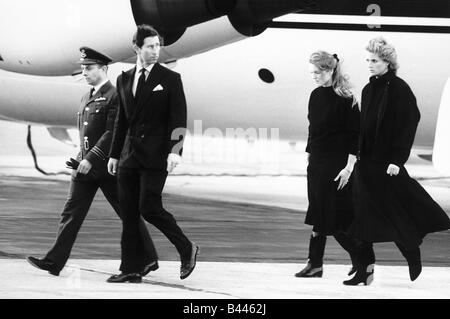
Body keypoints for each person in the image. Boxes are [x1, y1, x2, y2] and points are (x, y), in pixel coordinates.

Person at [26, 47, 159, 277]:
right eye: (83, 68)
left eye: (89, 68)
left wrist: (91, 158)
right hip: (84, 168)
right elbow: (85, 132)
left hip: (108, 167)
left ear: (103, 69)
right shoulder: (87, 96)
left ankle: (148, 259)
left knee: (128, 213)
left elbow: (112, 132)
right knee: (71, 213)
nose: (84, 72)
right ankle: (54, 261)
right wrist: (80, 159)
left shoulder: (116, 95)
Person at [345, 37, 450, 286]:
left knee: (395, 215)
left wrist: (397, 160)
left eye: (375, 61)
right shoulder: (368, 89)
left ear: (388, 63)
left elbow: (409, 123)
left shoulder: (399, 88)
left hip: (386, 166)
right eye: (368, 60)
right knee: (361, 220)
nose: (370, 65)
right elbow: (363, 127)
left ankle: (412, 252)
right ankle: (363, 271)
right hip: (366, 164)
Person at [107, 25, 199, 283]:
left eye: (157, 46)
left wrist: (176, 151)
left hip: (156, 155)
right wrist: (114, 154)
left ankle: (186, 248)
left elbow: (178, 118)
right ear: (136, 47)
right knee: (128, 213)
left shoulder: (170, 79)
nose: (155, 51)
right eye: (150, 46)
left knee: (149, 207)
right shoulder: (123, 79)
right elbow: (121, 122)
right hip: (128, 156)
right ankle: (131, 268)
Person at [295, 51, 361, 278]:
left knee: (328, 217)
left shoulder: (347, 99)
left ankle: (357, 258)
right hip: (316, 163)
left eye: (317, 72)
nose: (313, 76)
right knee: (319, 213)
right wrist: (309, 156)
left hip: (336, 165)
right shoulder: (315, 95)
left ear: (330, 70)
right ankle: (317, 264)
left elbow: (356, 137)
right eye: (311, 72)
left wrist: (349, 168)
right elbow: (312, 129)